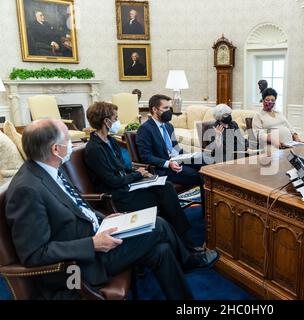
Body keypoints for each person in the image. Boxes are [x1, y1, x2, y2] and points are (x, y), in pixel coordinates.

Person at [5, 119, 219, 299]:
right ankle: (189, 261)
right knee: (158, 225)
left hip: (97, 235)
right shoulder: (27, 190)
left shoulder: (50, 168)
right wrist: (92, 244)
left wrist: (105, 218)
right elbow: (34, 254)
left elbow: (78, 206)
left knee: (161, 250)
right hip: (78, 265)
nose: (70, 145)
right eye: (68, 141)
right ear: (55, 149)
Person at [84, 102, 200, 250]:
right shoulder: (94, 149)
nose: (117, 121)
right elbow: (113, 181)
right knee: (165, 198)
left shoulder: (111, 141)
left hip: (127, 186)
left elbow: (122, 167)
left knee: (166, 187)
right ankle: (184, 244)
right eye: (115, 118)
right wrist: (138, 174)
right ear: (106, 121)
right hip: (117, 195)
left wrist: (140, 173)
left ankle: (181, 240)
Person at [136, 94, 205, 204]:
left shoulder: (168, 126)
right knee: (200, 175)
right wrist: (168, 164)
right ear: (154, 109)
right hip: (164, 168)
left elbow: (176, 148)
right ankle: (207, 213)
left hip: (178, 160)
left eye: (169, 108)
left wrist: (192, 156)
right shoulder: (145, 129)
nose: (169, 111)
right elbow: (145, 156)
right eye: (166, 108)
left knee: (206, 163)